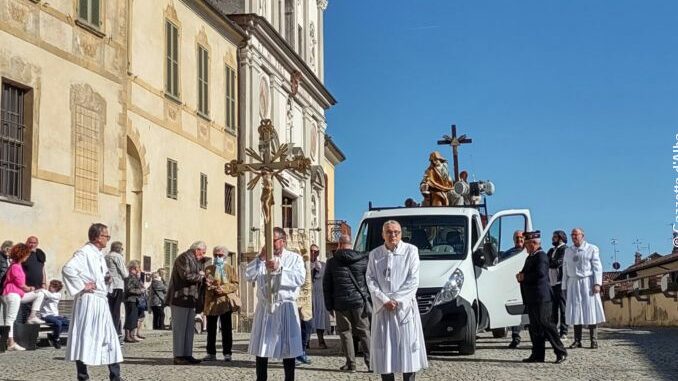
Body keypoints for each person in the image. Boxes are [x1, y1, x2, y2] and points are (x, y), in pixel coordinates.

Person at [366, 220, 427, 381]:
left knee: (407, 352)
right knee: (385, 353)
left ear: (401, 233)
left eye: (396, 232)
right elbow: (370, 279)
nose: (393, 235)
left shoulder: (411, 251)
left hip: (404, 309)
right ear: (383, 234)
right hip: (383, 308)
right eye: (389, 232)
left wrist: (397, 300)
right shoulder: (375, 254)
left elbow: (413, 279)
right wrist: (384, 299)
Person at [62, 223, 122, 381]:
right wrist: (83, 286)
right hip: (89, 301)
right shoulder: (84, 252)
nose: (108, 239)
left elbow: (98, 275)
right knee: (85, 335)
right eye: (106, 236)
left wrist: (105, 279)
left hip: (100, 300)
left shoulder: (98, 254)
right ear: (97, 237)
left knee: (110, 336)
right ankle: (83, 376)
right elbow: (68, 269)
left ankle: (115, 376)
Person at [246, 227, 305, 381]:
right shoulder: (262, 259)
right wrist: (260, 258)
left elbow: (299, 278)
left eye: (273, 241)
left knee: (288, 347)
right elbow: (248, 275)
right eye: (268, 241)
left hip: (285, 306)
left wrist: (280, 268)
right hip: (266, 307)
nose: (270, 244)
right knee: (262, 347)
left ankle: (289, 378)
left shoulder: (294, 258)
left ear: (283, 241)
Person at [516, 231, 567, 364]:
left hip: (541, 297)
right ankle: (538, 354)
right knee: (535, 327)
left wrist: (524, 277)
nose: (525, 247)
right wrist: (521, 275)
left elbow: (541, 275)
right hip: (532, 297)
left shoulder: (541, 256)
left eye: (526, 244)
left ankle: (560, 351)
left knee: (546, 324)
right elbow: (527, 272)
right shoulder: (530, 257)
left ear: (533, 243)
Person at [323, 234, 371, 373]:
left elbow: (327, 285)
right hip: (358, 302)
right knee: (364, 332)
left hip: (340, 303)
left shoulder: (332, 262)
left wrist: (329, 305)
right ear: (351, 244)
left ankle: (351, 364)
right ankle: (371, 363)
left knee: (345, 333)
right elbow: (369, 280)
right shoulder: (362, 259)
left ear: (339, 244)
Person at [562, 228, 606, 349]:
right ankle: (577, 340)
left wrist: (597, 283)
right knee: (576, 311)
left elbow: (597, 267)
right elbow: (565, 268)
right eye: (573, 235)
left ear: (582, 236)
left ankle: (593, 339)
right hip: (573, 282)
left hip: (587, 282)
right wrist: (564, 285)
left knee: (590, 310)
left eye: (576, 235)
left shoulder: (592, 249)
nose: (574, 237)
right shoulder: (568, 251)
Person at [165, 241, 207, 365]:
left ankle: (187, 354)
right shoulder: (183, 258)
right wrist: (201, 277)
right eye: (203, 252)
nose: (203, 255)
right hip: (179, 297)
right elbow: (186, 276)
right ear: (197, 250)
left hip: (190, 298)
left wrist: (203, 279)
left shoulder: (195, 260)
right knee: (180, 329)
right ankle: (178, 355)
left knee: (189, 329)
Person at [2, 243, 47, 351]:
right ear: (22, 255)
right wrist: (31, 288)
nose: (27, 256)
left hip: (16, 294)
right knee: (10, 319)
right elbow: (22, 285)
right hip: (13, 294)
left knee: (40, 293)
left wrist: (31, 289)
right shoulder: (16, 267)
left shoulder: (15, 265)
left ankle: (32, 316)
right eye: (26, 254)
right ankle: (10, 342)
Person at [203, 246, 239, 362]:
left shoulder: (230, 268)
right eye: (216, 255)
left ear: (225, 256)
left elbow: (235, 284)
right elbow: (205, 283)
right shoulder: (208, 269)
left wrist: (223, 289)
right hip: (212, 302)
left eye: (220, 255)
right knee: (211, 329)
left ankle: (227, 353)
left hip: (224, 302)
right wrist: (209, 286)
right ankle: (210, 352)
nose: (218, 257)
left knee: (226, 329)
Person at [504, 230, 525, 348]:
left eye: (521, 237)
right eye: (517, 238)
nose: (519, 240)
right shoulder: (508, 254)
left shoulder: (528, 252)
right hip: (512, 286)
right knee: (515, 312)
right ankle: (515, 336)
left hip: (527, 285)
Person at [547, 230, 569, 339]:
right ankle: (553, 331)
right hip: (551, 282)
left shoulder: (565, 249)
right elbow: (546, 262)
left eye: (555, 237)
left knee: (563, 307)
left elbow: (558, 262)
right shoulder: (551, 250)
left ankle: (564, 331)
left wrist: (551, 263)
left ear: (560, 238)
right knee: (553, 308)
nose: (552, 239)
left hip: (561, 282)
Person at [105, 241, 128, 339]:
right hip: (117, 284)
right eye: (122, 249)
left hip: (108, 286)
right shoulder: (117, 257)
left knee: (110, 309)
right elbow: (124, 273)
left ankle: (111, 329)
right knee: (116, 310)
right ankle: (114, 331)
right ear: (119, 249)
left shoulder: (106, 256)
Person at [310, 244, 331, 349]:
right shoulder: (303, 265)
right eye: (311, 251)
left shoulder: (323, 265)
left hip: (320, 295)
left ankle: (321, 340)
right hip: (308, 296)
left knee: (320, 318)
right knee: (306, 318)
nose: (313, 253)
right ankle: (306, 341)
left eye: (316, 251)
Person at [40, 279, 70, 349]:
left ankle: (54, 335)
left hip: (55, 315)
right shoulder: (45, 293)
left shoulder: (58, 295)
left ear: (57, 289)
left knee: (68, 323)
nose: (50, 287)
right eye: (50, 285)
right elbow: (46, 294)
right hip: (46, 315)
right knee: (58, 323)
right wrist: (42, 290)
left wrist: (41, 290)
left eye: (53, 287)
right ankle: (56, 339)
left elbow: (50, 296)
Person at [296, 248, 313, 365]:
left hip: (305, 297)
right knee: (294, 327)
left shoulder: (305, 265)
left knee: (306, 326)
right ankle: (294, 354)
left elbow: (307, 281)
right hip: (293, 298)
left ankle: (302, 351)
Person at [123, 260, 144, 343]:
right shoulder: (130, 277)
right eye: (138, 267)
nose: (139, 269)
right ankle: (128, 336)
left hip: (135, 300)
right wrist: (140, 291)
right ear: (134, 268)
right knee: (130, 318)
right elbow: (129, 289)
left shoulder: (135, 277)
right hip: (130, 299)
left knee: (134, 318)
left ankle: (131, 335)